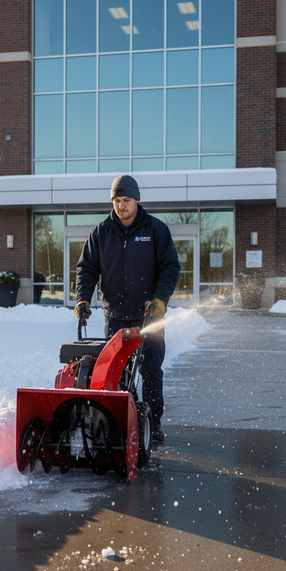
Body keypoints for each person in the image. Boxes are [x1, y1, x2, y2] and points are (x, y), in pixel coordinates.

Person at [74, 175, 180, 444]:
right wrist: (83, 298)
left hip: (150, 317)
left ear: (137, 200)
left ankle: (152, 425)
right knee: (117, 374)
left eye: (127, 200)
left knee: (151, 371)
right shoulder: (101, 232)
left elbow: (170, 268)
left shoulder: (155, 230)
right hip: (115, 318)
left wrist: (160, 299)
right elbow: (86, 269)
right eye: (117, 201)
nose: (121, 206)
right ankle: (123, 424)